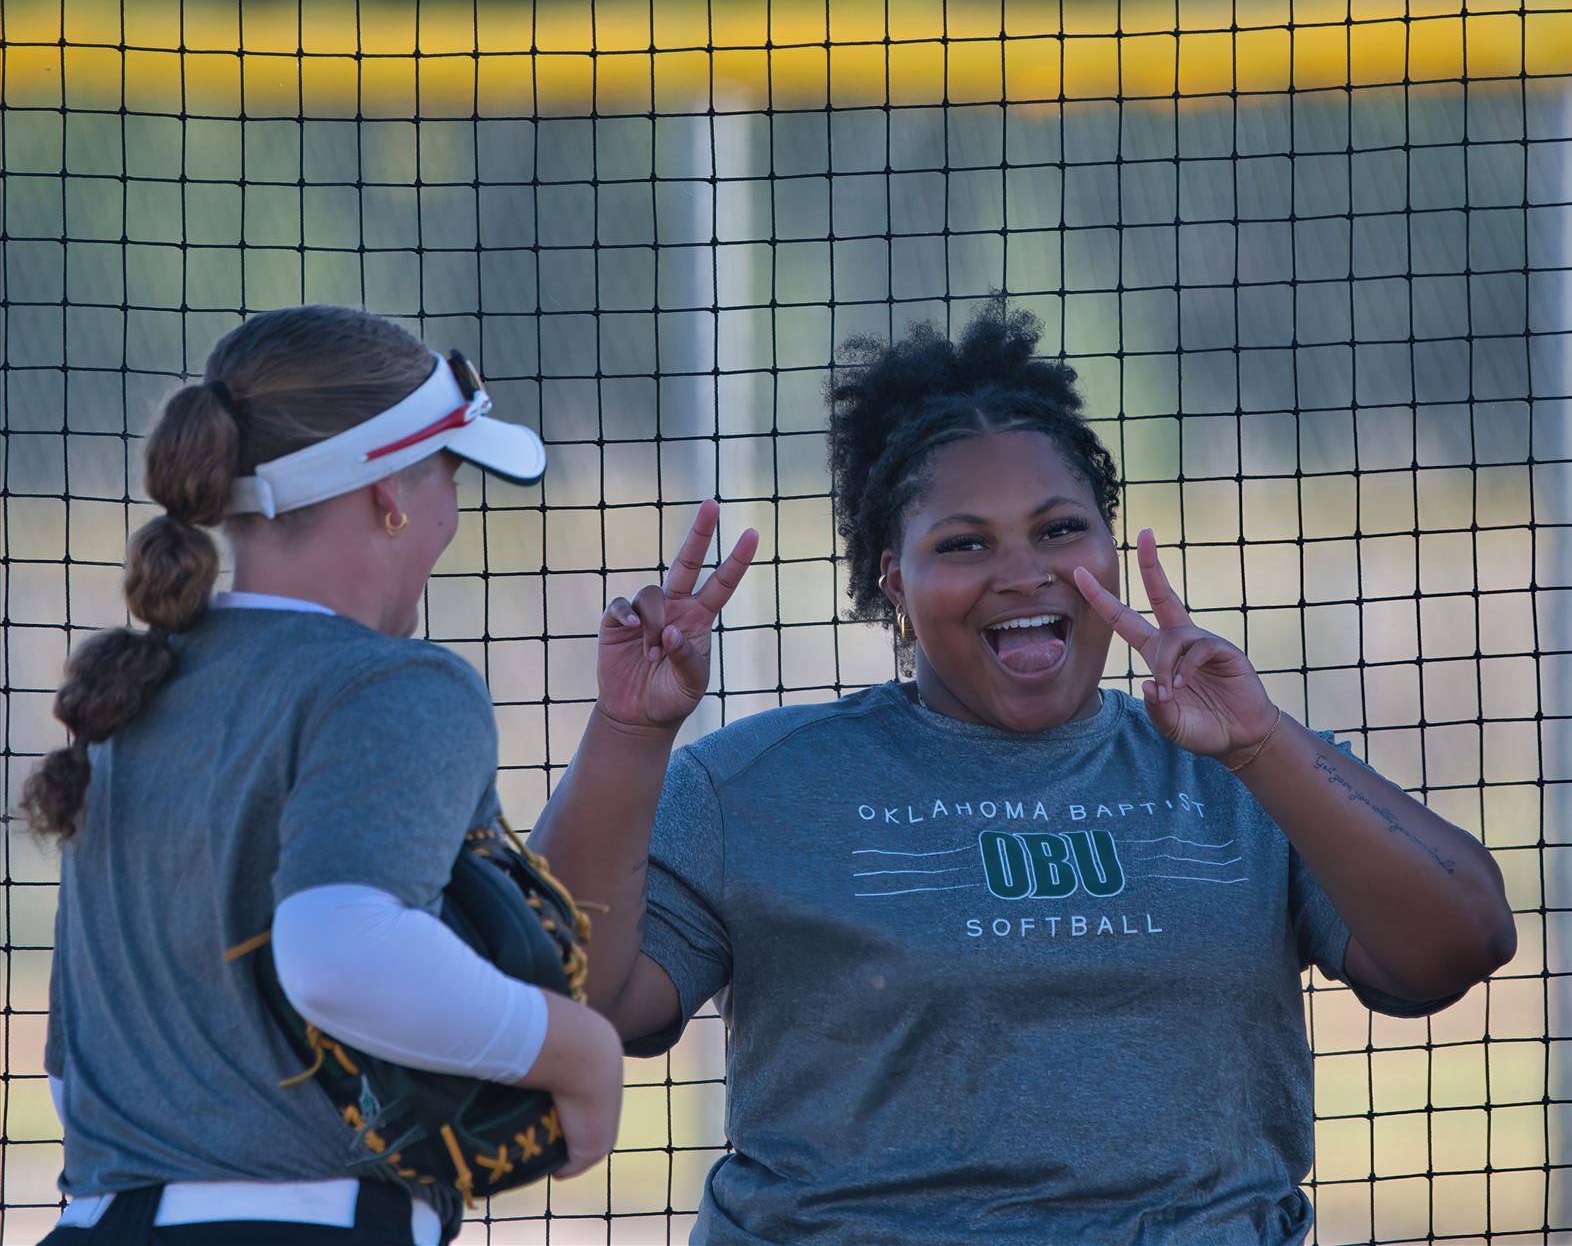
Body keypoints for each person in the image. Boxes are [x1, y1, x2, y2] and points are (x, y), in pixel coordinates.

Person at [533, 301, 1517, 1244]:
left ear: (1112, 549)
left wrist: (1262, 745)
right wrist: (628, 727)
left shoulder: (1238, 769)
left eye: (1059, 530)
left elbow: (1461, 939)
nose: (1023, 571)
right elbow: (577, 999)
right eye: (965, 544)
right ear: (894, 580)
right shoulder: (751, 783)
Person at [28, 306, 630, 1246]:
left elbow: (73, 1067)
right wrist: (583, 1054)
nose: (453, 511)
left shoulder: (131, 689)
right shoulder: (395, 683)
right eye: (450, 472)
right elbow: (337, 946)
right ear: (390, 490)